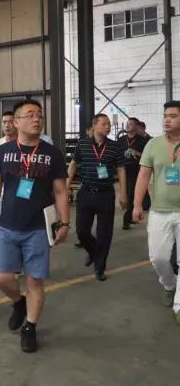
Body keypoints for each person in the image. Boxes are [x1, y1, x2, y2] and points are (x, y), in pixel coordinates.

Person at [0, 99, 69, 353]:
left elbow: (60, 190)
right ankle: (18, 302)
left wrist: (64, 222)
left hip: (38, 228)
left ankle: (30, 327)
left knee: (34, 281)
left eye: (39, 115)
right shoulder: (3, 151)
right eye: (30, 114)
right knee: (1, 277)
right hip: (7, 225)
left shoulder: (52, 154)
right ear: (17, 122)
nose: (37, 119)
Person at [133, 101, 180, 326]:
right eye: (165, 116)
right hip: (160, 211)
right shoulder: (153, 144)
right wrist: (136, 205)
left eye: (173, 116)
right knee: (158, 258)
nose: (167, 120)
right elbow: (143, 176)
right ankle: (169, 284)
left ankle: (179, 305)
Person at [67, 113, 127, 281]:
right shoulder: (82, 144)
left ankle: (100, 267)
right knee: (81, 231)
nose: (108, 127)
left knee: (104, 234)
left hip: (106, 195)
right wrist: (67, 185)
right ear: (94, 126)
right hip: (86, 193)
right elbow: (73, 164)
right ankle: (93, 251)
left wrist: (123, 193)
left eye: (109, 124)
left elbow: (121, 169)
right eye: (104, 124)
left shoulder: (115, 146)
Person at [117, 117, 147, 229]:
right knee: (126, 193)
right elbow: (116, 154)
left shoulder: (142, 140)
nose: (127, 125)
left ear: (136, 126)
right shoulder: (121, 140)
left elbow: (147, 157)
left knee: (131, 194)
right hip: (122, 169)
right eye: (127, 123)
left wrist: (137, 153)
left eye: (130, 124)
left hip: (135, 170)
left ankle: (126, 219)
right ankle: (129, 217)